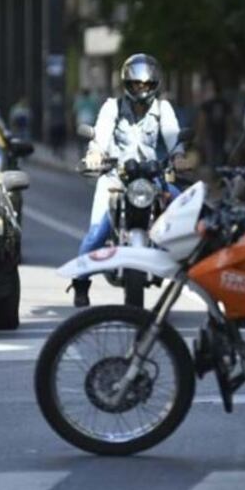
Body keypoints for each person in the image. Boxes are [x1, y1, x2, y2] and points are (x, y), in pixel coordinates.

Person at [72, 53, 181, 307]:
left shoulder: (163, 109)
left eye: (146, 84)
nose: (141, 89)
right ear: (127, 84)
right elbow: (101, 135)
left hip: (151, 178)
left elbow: (174, 138)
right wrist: (95, 153)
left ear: (154, 84)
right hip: (116, 178)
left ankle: (189, 271)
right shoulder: (112, 107)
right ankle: (80, 282)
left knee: (185, 212)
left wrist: (179, 156)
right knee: (97, 233)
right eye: (136, 84)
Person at [198, 80, 231, 169]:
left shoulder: (207, 104)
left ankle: (213, 173)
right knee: (220, 158)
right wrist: (230, 133)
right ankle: (218, 173)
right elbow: (229, 120)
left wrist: (200, 135)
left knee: (212, 159)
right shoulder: (224, 103)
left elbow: (202, 120)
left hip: (211, 134)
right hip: (221, 134)